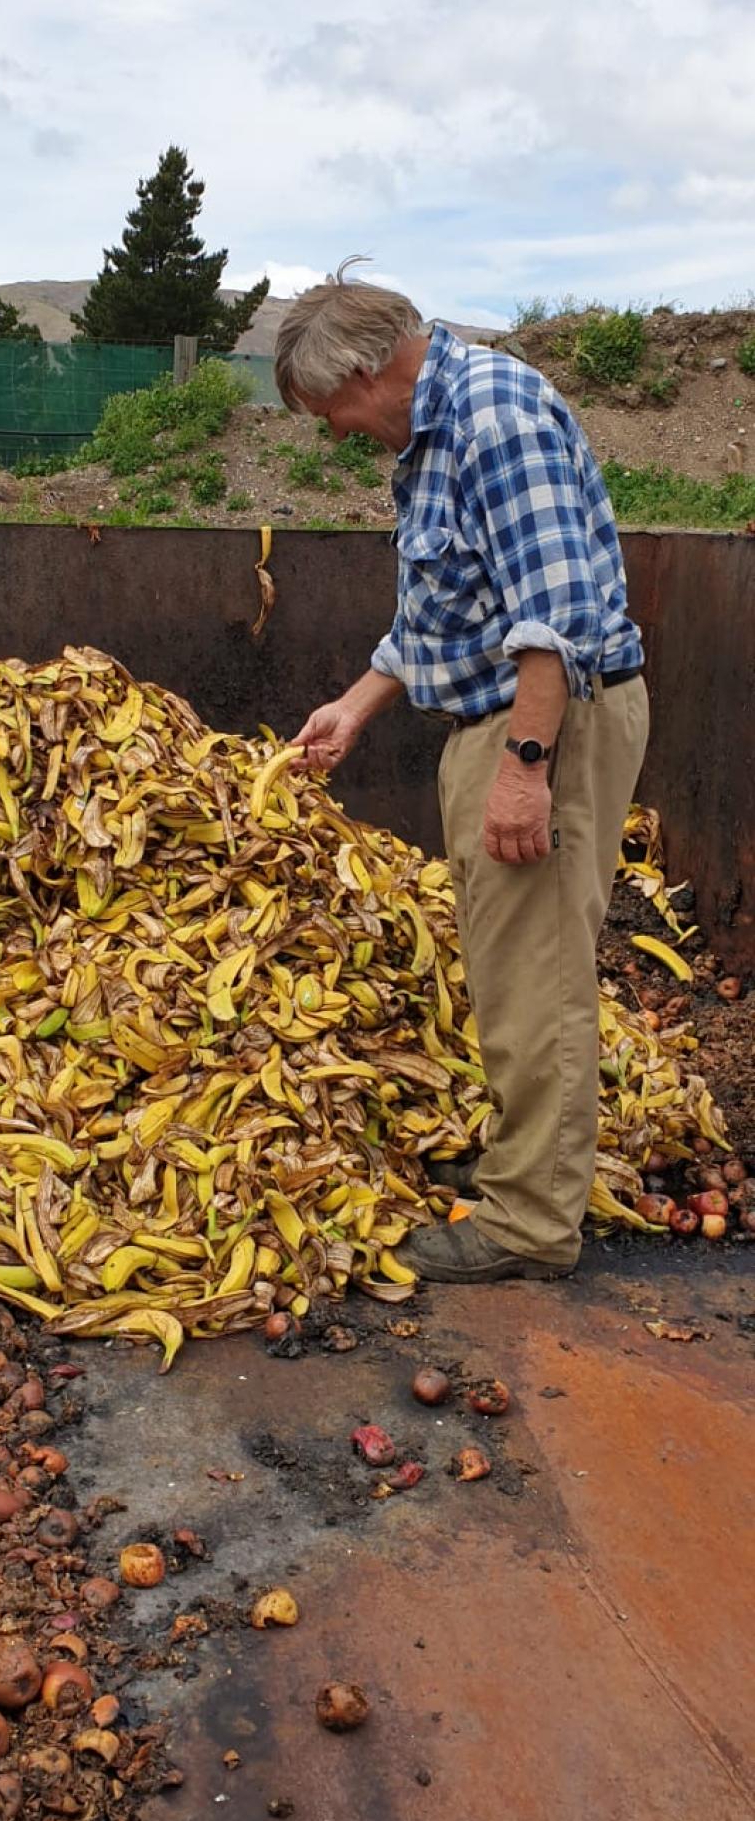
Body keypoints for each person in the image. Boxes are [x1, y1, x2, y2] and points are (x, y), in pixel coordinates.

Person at [274, 271, 649, 1282]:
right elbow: (444, 612)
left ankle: (526, 1226)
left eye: (333, 411)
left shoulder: (494, 417)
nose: (337, 432)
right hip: (499, 722)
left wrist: (526, 769)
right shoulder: (431, 436)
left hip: (542, 726)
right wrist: (354, 705)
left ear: (366, 367)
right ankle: (523, 1170)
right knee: (508, 968)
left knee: (535, 980)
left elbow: (554, 615)